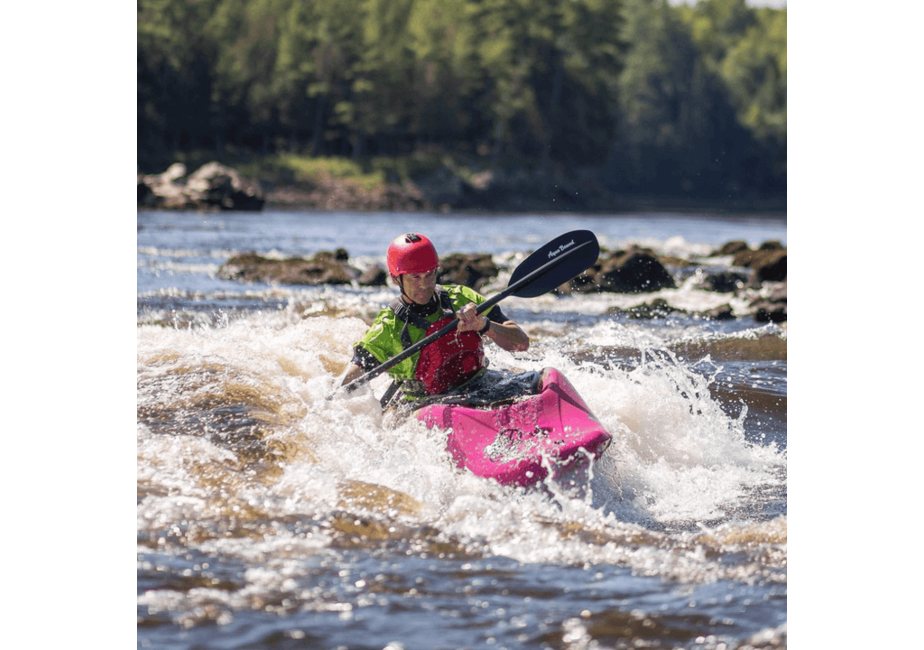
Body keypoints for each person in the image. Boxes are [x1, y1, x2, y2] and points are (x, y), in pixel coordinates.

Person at [341, 232, 531, 407]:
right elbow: (348, 383)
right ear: (396, 279)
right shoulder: (388, 327)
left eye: (430, 274)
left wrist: (484, 324)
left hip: (481, 384)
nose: (425, 285)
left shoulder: (462, 298)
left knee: (537, 380)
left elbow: (522, 343)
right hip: (428, 404)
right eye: (415, 277)